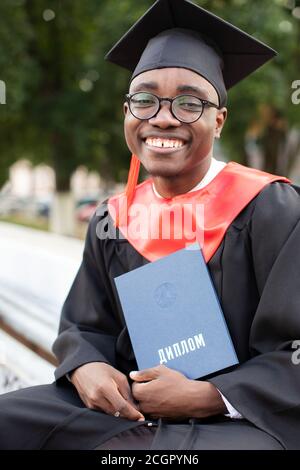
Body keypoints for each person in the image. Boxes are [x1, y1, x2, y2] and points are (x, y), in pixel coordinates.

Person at [0, 0, 300, 450]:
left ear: (218, 121)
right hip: (131, 411)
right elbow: (84, 327)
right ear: (127, 112)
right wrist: (87, 367)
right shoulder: (112, 219)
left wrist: (211, 396)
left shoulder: (271, 207)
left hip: (246, 421)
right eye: (144, 99)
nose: (162, 116)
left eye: (188, 102)